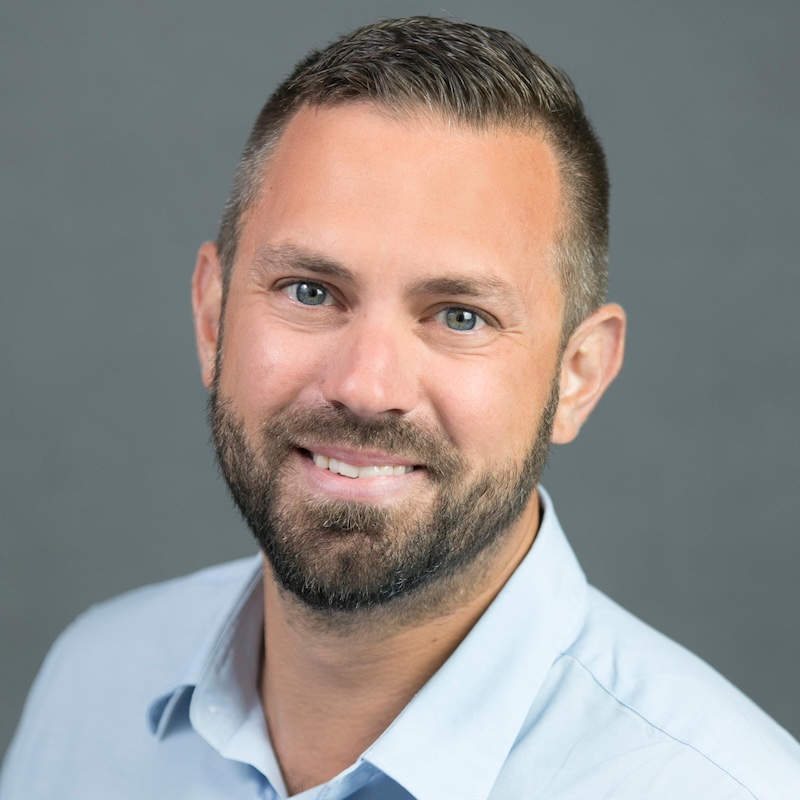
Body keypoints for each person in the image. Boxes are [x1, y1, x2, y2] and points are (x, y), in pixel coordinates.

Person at [2, 15, 798, 800]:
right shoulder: (91, 687)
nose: (365, 386)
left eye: (460, 316)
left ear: (578, 376)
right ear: (213, 319)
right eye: (310, 292)